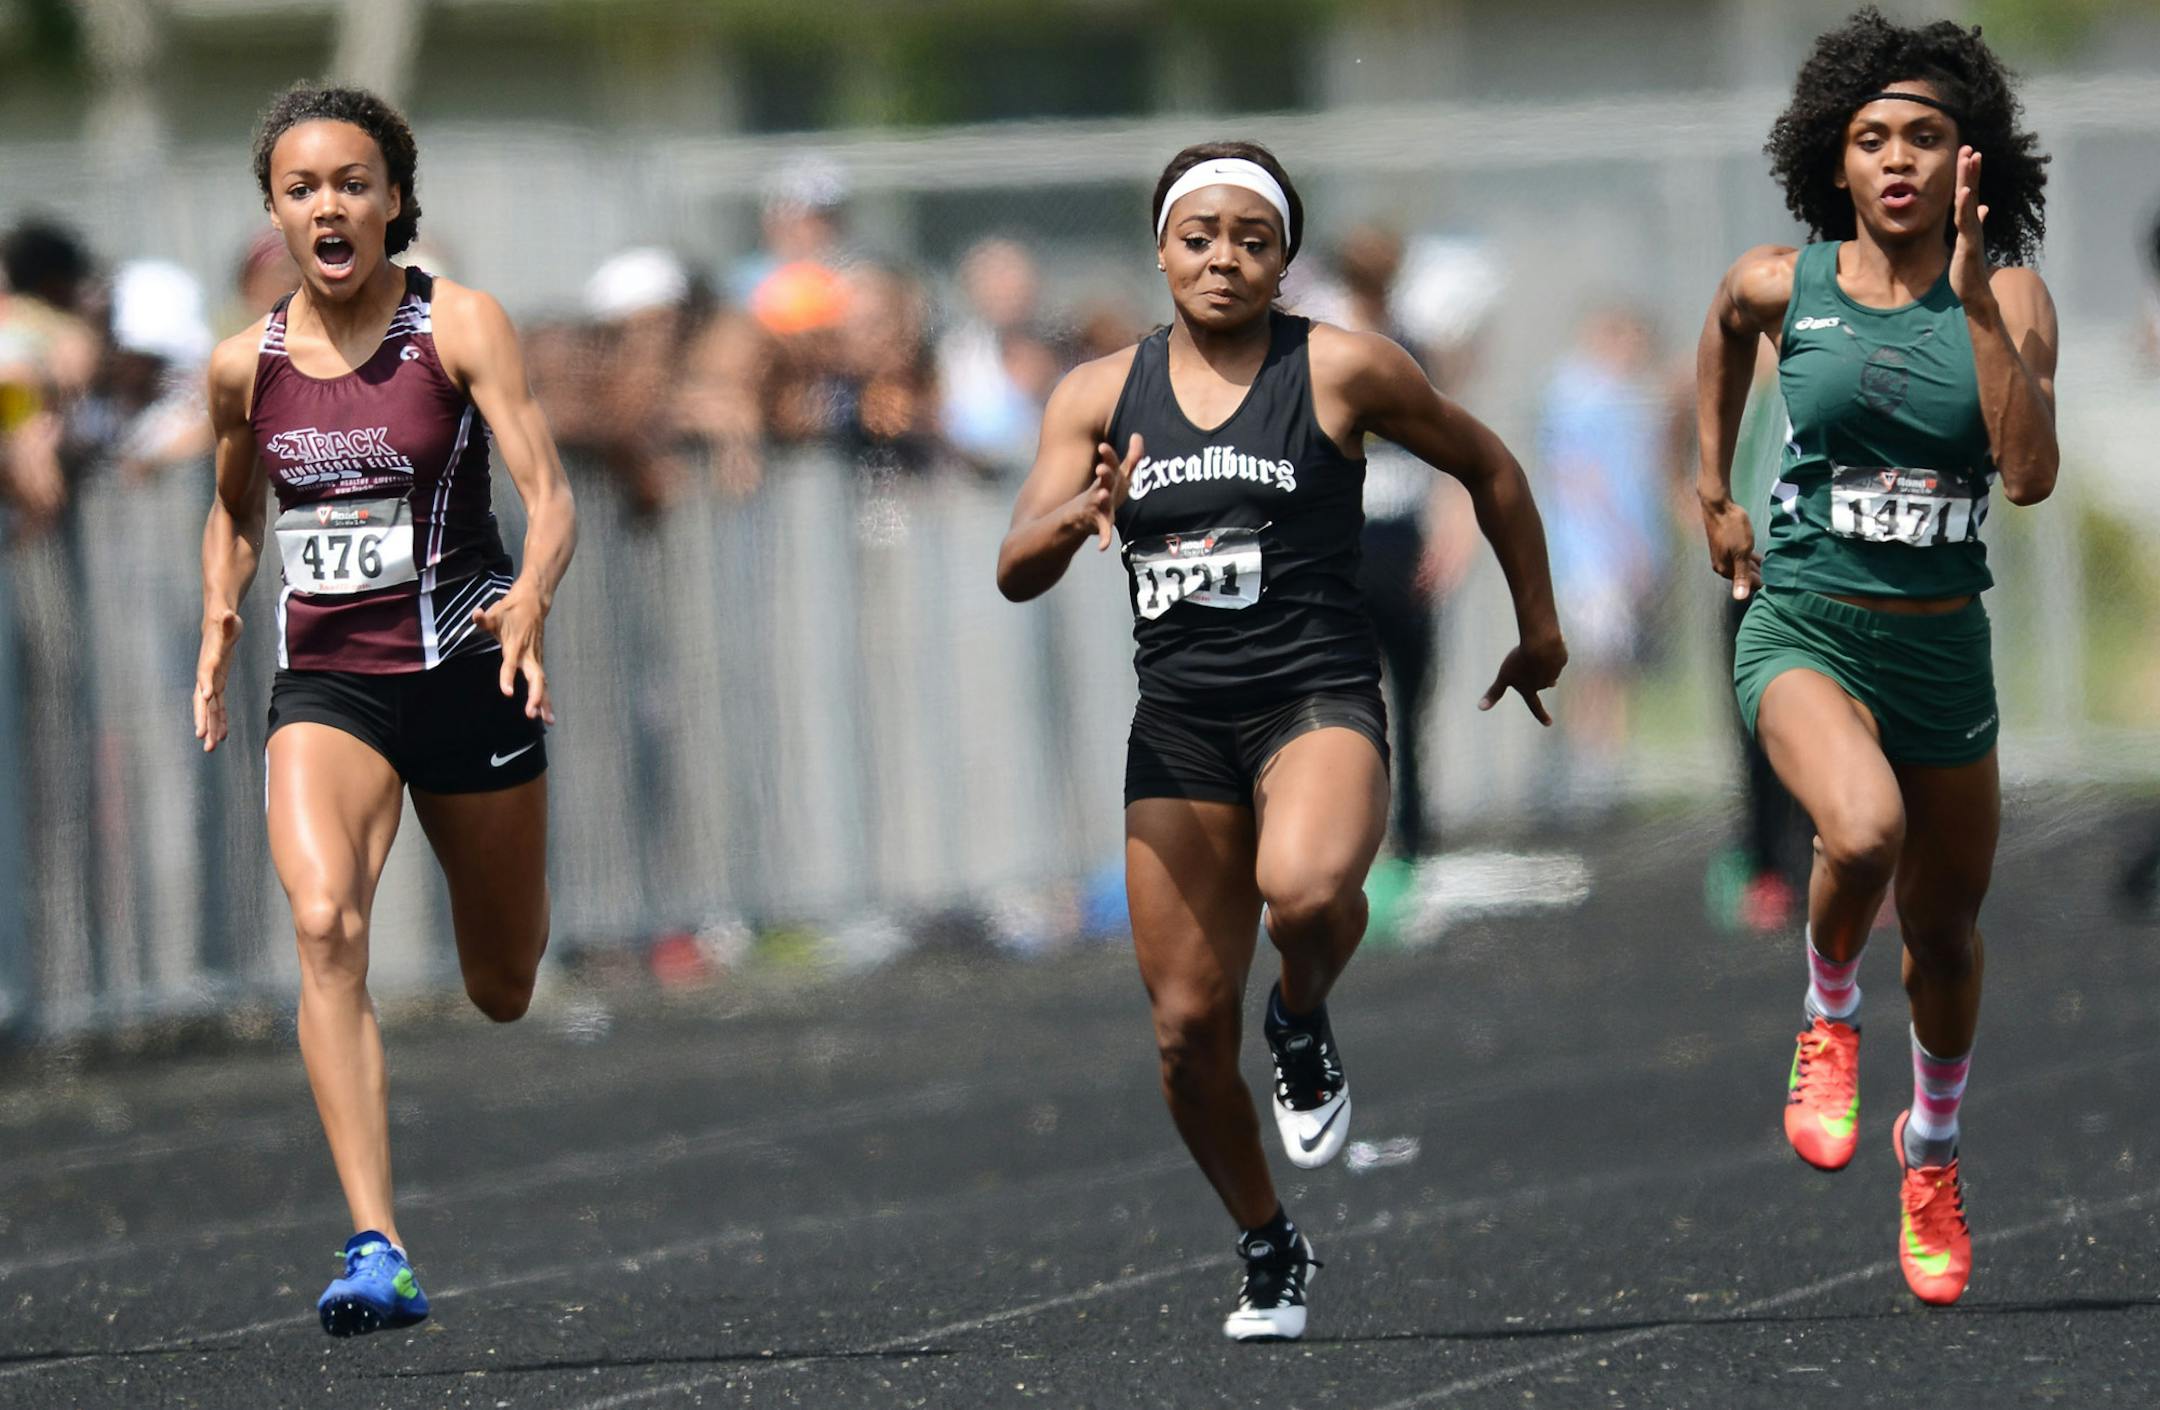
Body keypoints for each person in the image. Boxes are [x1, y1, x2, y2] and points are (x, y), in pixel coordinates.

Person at [996, 141, 1564, 1341]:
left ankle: (1302, 1015)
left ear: (1284, 258)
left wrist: (1540, 630)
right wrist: (1078, 516)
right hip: (1182, 729)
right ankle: (1268, 1243)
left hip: (1313, 696)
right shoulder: (1098, 394)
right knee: (1185, 1033)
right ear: (1160, 249)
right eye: (1198, 236)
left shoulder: (1344, 369)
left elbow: (1491, 467)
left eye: (1250, 239)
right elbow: (1014, 567)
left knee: (1304, 892)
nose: (1222, 258)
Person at [192, 83, 577, 1337]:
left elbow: (550, 493)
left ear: (395, 198)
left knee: (504, 980)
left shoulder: (458, 326)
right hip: (330, 683)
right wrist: (219, 616)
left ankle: (500, 955)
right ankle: (377, 1242)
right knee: (322, 921)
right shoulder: (239, 367)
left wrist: (528, 600)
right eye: (302, 188)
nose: (329, 205)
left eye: (352, 181)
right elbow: (234, 506)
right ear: (274, 212)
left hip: (469, 671)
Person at [1695, 8, 2056, 1306]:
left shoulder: (2008, 296)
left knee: (1951, 934)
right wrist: (1710, 486)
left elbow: (2027, 478)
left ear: (1972, 159)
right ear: (1832, 158)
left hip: (1942, 652)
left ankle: (1935, 1151)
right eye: (1872, 137)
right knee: (1860, 832)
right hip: (1802, 624)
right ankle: (1829, 1005)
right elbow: (1725, 329)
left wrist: (1970, 307)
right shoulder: (1780, 282)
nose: (1898, 159)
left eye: (1926, 136)